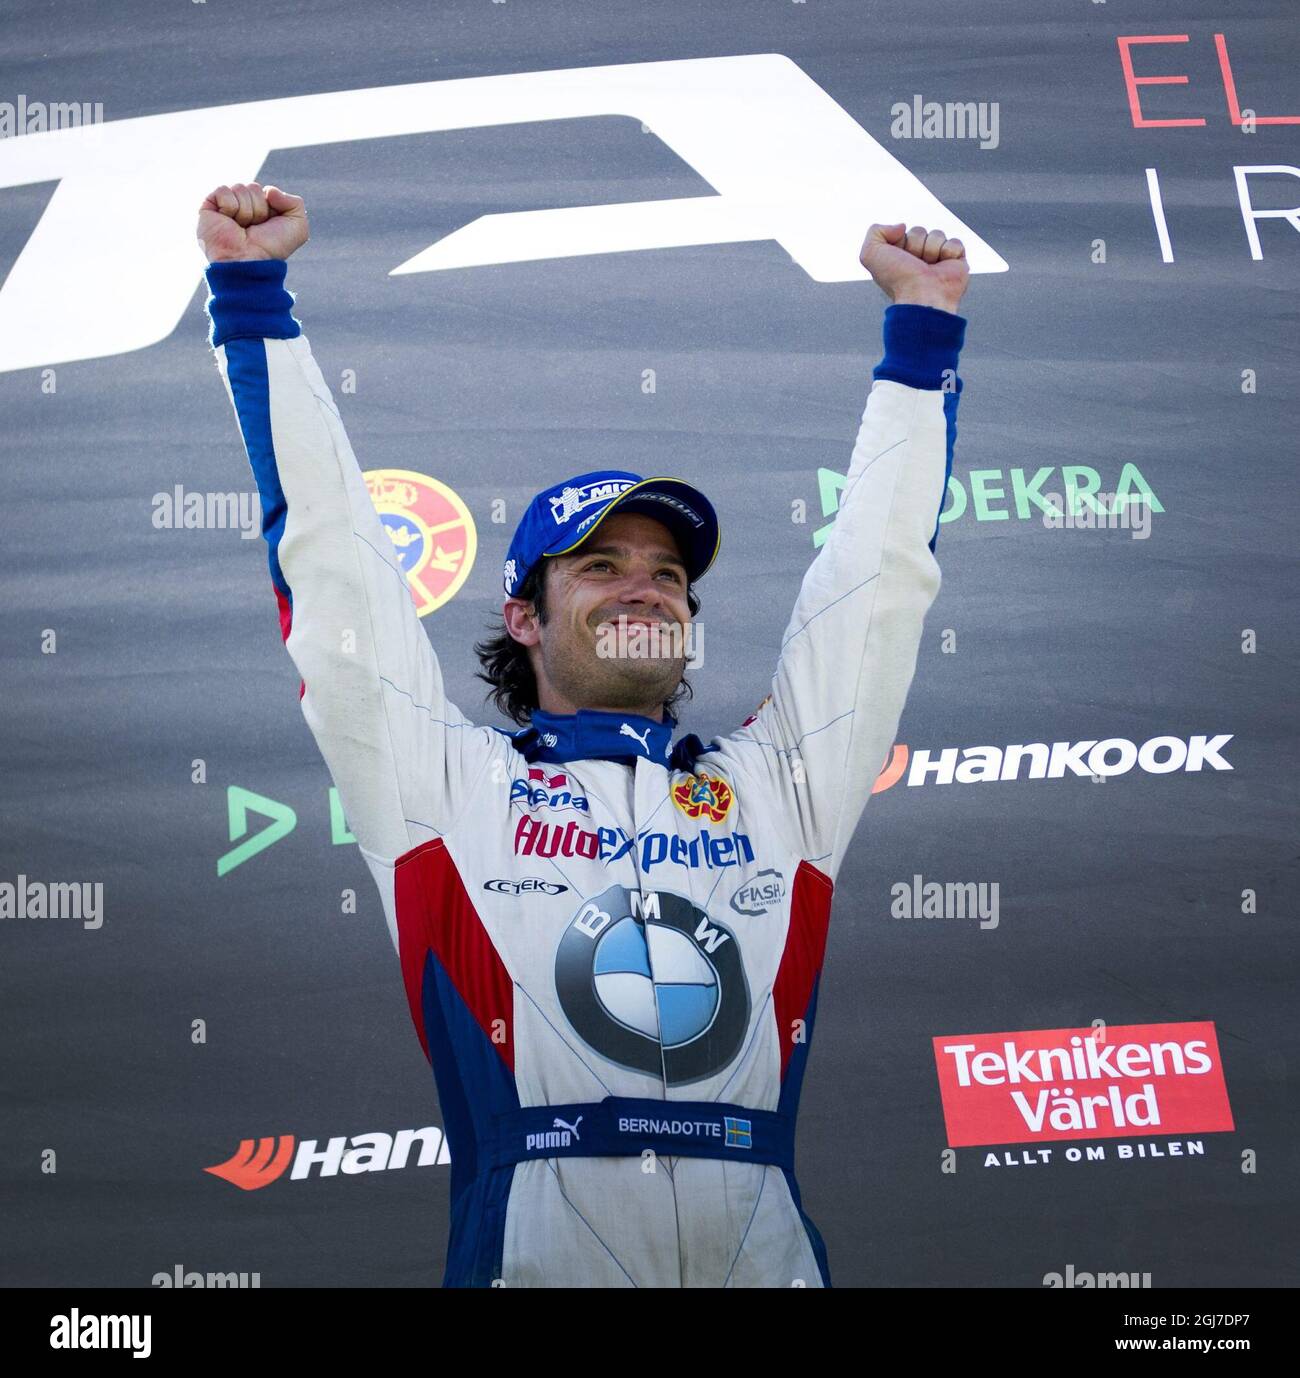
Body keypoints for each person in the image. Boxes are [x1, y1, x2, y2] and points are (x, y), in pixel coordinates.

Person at [197, 181, 970, 1288]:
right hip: (536, 1242)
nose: (642, 590)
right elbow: (331, 565)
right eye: (599, 566)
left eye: (666, 573)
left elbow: (877, 586)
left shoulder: (778, 791)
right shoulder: (444, 787)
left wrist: (921, 332)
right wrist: (253, 297)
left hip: (767, 1244)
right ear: (524, 613)